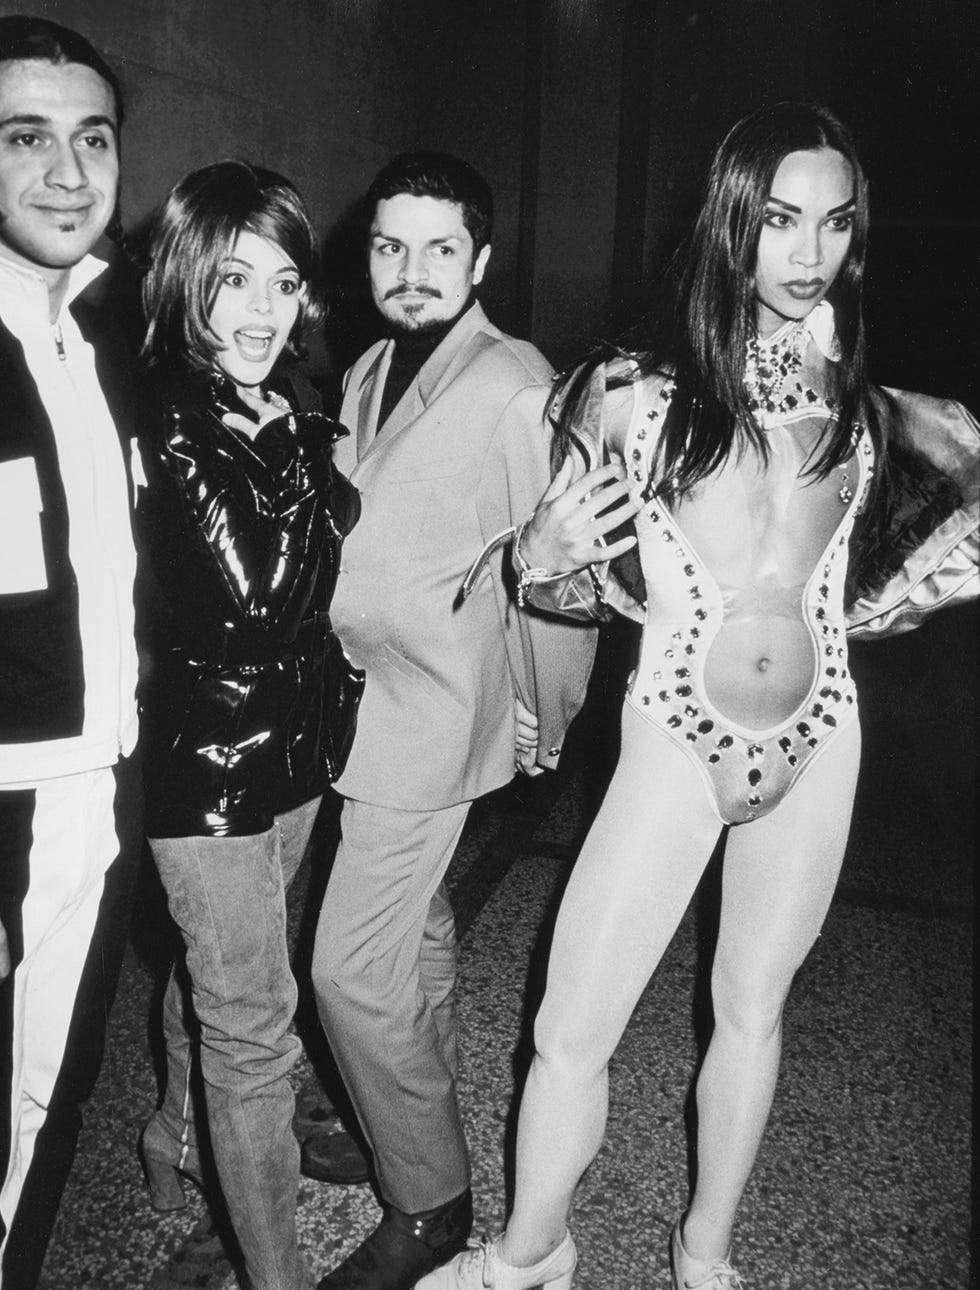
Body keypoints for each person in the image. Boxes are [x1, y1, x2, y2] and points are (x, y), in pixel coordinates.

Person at [417, 103, 979, 1290]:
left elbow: (885, 558)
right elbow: (558, 588)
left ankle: (704, 1255)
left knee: (751, 1011)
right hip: (672, 739)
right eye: (778, 220)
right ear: (730, 221)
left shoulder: (864, 406)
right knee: (571, 1026)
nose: (807, 251)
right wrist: (536, 555)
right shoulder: (627, 392)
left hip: (821, 740)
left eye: (832, 224)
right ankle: (528, 1255)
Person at [309, 152, 597, 1290]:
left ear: (479, 259)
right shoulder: (371, 365)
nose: (412, 271)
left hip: (429, 714)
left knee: (347, 972)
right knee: (417, 935)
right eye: (389, 247)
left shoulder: (515, 382)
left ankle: (427, 1200)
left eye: (439, 249)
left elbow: (569, 576)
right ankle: (401, 1118)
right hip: (358, 702)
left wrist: (545, 719)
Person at [135, 160, 363, 1290]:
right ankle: (272, 1275)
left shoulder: (279, 406)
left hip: (296, 746)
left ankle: (172, 1147)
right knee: (249, 1027)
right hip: (210, 762)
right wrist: (315, 458)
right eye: (235, 281)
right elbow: (266, 593)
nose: (264, 311)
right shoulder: (176, 416)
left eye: (283, 282)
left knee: (214, 975)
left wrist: (305, 446)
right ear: (187, 284)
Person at [0, 17, 142, 1289]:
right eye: (25, 138)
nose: (66, 172)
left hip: (97, 781)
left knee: (50, 1089)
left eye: (90, 139)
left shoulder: (105, 334)